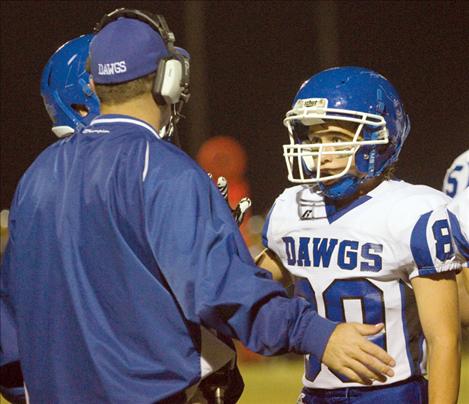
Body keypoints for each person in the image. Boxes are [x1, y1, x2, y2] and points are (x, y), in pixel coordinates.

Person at [0, 10, 396, 404]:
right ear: (168, 80)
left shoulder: (38, 173)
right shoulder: (162, 169)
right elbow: (219, 290)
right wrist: (314, 333)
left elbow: (12, 314)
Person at [257, 67, 461, 403]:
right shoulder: (290, 208)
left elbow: (444, 340)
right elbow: (250, 291)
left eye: (336, 139)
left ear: (378, 139)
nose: (322, 153)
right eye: (314, 139)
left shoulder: (413, 211)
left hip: (393, 393)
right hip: (314, 394)